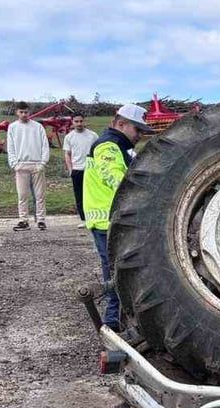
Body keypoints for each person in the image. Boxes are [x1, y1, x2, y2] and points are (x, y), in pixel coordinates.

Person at [83, 104, 156, 331]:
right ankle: (113, 322)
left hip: (113, 221)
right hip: (108, 222)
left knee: (119, 271)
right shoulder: (108, 146)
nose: (140, 136)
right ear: (121, 123)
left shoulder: (119, 146)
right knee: (117, 274)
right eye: (138, 130)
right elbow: (117, 180)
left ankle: (119, 318)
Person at [6, 102, 51, 231]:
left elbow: (44, 145)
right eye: (21, 112)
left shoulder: (38, 127)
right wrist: (14, 164)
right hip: (21, 165)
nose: (24, 114)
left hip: (37, 164)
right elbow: (11, 147)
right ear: (17, 112)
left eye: (26, 112)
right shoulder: (13, 127)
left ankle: (41, 220)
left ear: (29, 112)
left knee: (40, 195)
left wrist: (43, 163)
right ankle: (23, 220)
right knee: (22, 195)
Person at [62, 114, 98, 227]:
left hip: (91, 170)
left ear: (84, 121)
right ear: (72, 122)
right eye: (76, 121)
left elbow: (98, 152)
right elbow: (67, 154)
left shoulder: (93, 136)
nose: (79, 124)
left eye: (81, 121)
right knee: (79, 195)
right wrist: (70, 169)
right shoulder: (69, 137)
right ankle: (84, 219)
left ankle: (95, 217)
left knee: (92, 194)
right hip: (77, 170)